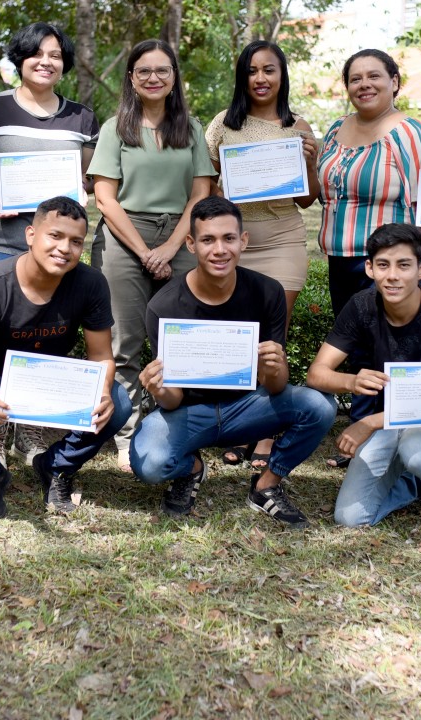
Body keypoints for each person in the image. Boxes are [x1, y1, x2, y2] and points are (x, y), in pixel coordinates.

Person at [132, 197, 336, 527]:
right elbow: (172, 401)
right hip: (189, 411)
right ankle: (192, 470)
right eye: (208, 240)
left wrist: (275, 365)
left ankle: (266, 486)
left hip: (248, 406)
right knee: (151, 464)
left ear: (243, 241)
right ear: (191, 243)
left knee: (319, 406)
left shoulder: (267, 292)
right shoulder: (164, 305)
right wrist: (159, 388)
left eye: (228, 239)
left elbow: (276, 386)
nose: (219, 250)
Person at [0, 22, 100, 466]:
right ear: (20, 59)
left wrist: (81, 191)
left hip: (56, 249)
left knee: (42, 335)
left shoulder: (81, 118)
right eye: (36, 53)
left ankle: (32, 424)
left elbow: (87, 179)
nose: (46, 61)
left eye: (55, 54)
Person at [0, 197, 132, 518]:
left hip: (52, 381)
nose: (64, 248)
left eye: (75, 241)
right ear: (30, 235)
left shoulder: (91, 284)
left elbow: (101, 355)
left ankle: (56, 467)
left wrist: (104, 390)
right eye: (55, 236)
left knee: (118, 403)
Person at [87, 39, 216, 470]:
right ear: (131, 78)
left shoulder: (192, 128)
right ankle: (127, 435)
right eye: (144, 71)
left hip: (180, 235)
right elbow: (105, 198)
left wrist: (171, 246)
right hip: (125, 238)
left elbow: (201, 193)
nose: (154, 78)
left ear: (174, 77)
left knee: (180, 340)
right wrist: (145, 251)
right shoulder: (115, 128)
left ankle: (173, 426)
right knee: (124, 342)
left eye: (162, 70)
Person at [315, 48, 421, 468]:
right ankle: (362, 434)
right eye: (355, 78)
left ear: (394, 81)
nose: (364, 85)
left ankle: (390, 439)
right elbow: (324, 191)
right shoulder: (335, 130)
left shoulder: (410, 132)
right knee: (358, 351)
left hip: (389, 265)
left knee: (395, 353)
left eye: (375, 76)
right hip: (341, 257)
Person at [305, 224, 421, 540]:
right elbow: (317, 374)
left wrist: (369, 422)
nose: (392, 275)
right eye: (383, 265)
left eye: (404, 265)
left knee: (419, 454)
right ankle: (416, 482)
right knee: (350, 518)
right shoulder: (361, 305)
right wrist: (351, 381)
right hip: (392, 420)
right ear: (370, 268)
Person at [204, 40, 320, 469]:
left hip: (283, 242)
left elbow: (308, 201)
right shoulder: (222, 126)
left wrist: (308, 163)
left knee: (272, 337)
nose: (260, 78)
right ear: (242, 77)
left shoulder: (299, 126)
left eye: (269, 70)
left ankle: (268, 432)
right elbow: (205, 186)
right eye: (252, 71)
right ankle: (239, 425)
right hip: (233, 245)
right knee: (237, 336)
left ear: (281, 75)